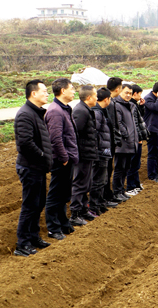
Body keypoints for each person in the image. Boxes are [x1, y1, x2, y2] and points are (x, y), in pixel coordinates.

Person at [13, 80, 53, 256]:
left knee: (39, 203)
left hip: (37, 167)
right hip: (30, 167)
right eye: (44, 91)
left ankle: (34, 236)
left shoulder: (36, 113)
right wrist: (43, 156)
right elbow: (25, 143)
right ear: (33, 94)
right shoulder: (25, 114)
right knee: (30, 205)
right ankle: (22, 244)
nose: (47, 94)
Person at [45, 78, 79, 236]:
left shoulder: (64, 108)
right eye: (71, 88)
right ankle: (53, 227)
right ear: (63, 91)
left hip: (68, 158)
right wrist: (65, 158)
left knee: (65, 193)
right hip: (61, 160)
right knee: (56, 194)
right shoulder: (55, 111)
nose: (74, 91)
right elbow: (55, 139)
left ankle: (64, 223)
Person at [70, 86, 99, 224]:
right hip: (82, 154)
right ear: (89, 98)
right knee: (80, 183)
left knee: (86, 183)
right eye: (95, 95)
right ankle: (75, 214)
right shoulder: (81, 111)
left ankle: (83, 209)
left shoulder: (86, 109)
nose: (97, 98)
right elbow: (75, 134)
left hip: (87, 153)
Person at [91, 88, 118, 213]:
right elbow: (95, 135)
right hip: (100, 152)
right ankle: (95, 205)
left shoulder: (102, 111)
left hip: (105, 151)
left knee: (103, 179)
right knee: (98, 181)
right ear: (107, 99)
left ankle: (101, 202)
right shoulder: (97, 113)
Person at [112, 84, 139, 202]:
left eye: (130, 93)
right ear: (120, 92)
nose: (128, 95)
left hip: (130, 143)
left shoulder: (131, 105)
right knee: (119, 168)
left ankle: (121, 190)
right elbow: (118, 123)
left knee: (126, 168)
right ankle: (116, 192)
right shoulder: (117, 105)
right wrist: (127, 134)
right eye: (126, 92)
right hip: (122, 143)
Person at [104, 77, 123, 202]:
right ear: (118, 89)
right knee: (106, 171)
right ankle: (105, 196)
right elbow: (112, 124)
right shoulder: (109, 103)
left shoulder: (112, 101)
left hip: (109, 142)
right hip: (107, 143)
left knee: (108, 170)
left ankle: (107, 194)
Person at [127, 85, 148, 194]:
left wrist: (142, 106)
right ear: (135, 94)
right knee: (133, 164)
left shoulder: (135, 105)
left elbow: (140, 119)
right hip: (134, 140)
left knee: (137, 164)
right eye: (139, 93)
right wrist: (139, 138)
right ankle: (130, 187)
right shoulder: (131, 105)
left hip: (137, 138)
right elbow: (135, 124)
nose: (140, 96)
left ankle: (136, 183)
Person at [144, 82, 158, 181]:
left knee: (157, 152)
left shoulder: (156, 98)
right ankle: (152, 176)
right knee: (152, 154)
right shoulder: (148, 98)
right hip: (152, 130)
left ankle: (156, 173)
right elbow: (155, 107)